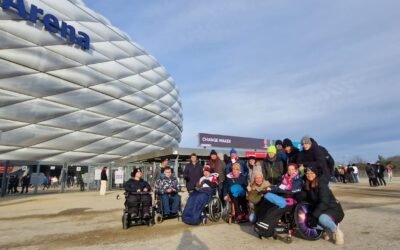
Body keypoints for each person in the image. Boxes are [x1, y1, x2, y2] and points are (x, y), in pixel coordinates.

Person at [302, 163, 345, 245]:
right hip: (322, 209)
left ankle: (336, 232)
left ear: (316, 174)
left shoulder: (322, 184)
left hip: (333, 209)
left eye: (311, 173)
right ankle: (327, 229)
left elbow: (324, 202)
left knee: (321, 219)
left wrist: (314, 215)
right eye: (307, 173)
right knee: (308, 221)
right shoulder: (308, 185)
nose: (309, 175)